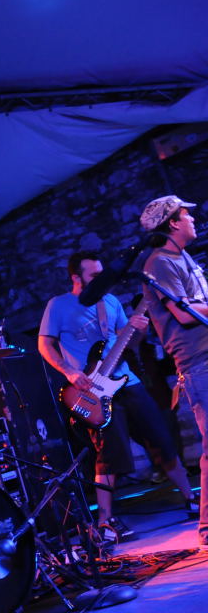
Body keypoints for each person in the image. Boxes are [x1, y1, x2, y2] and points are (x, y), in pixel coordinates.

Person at [38, 250, 196, 545]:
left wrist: (139, 330)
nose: (103, 279)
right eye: (95, 275)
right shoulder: (58, 305)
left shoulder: (110, 302)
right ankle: (105, 521)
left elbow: (128, 342)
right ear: (76, 277)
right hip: (91, 389)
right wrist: (70, 372)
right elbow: (45, 345)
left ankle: (191, 499)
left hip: (126, 381)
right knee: (109, 454)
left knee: (162, 439)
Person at [139, 195, 208, 549]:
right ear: (173, 223)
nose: (193, 219)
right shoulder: (160, 263)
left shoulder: (183, 258)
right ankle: (207, 527)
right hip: (198, 362)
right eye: (186, 214)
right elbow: (184, 313)